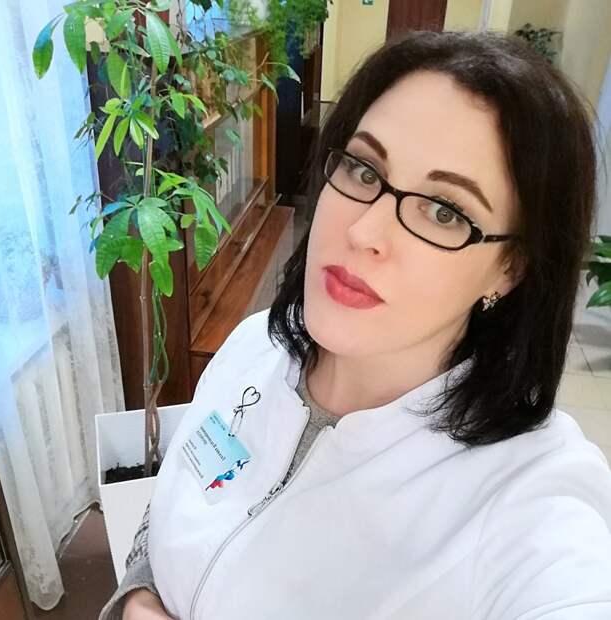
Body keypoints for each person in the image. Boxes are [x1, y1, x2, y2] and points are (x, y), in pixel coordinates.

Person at [100, 28, 611, 620]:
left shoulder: (529, 502)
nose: (364, 232)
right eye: (365, 171)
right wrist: (139, 595)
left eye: (444, 211)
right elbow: (178, 501)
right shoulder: (255, 345)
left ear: (511, 267)